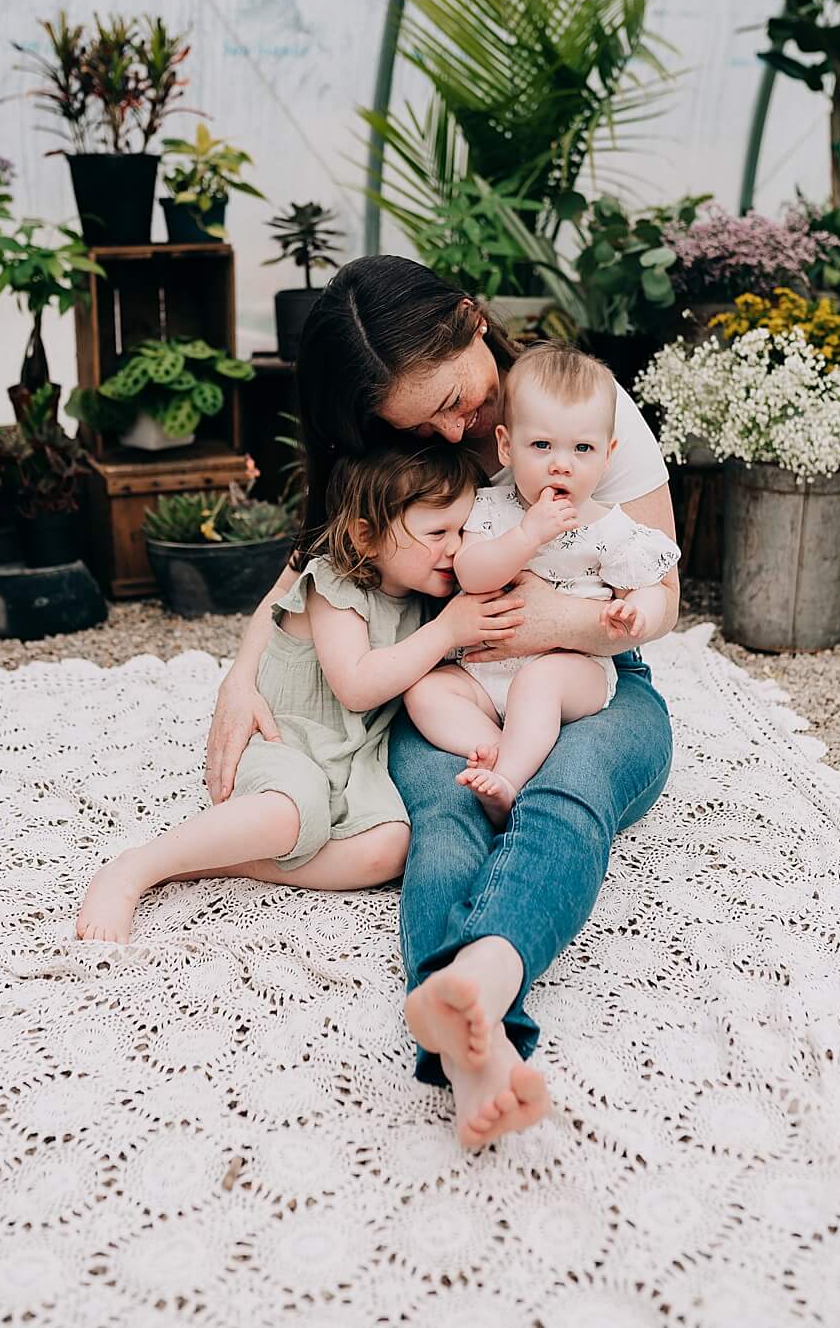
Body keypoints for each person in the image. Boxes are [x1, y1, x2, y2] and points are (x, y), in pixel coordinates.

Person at [205, 256, 678, 1149]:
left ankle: (483, 985)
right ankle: (474, 1053)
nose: (461, 425)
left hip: (590, 679)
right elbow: (310, 564)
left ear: (470, 318)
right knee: (445, 811)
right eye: (428, 424)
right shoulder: (407, 436)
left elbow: (664, 593)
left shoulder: (581, 411)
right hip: (449, 678)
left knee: (564, 797)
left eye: (457, 399)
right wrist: (243, 673)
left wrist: (563, 619)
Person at [76, 444, 522, 943]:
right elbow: (355, 686)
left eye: (462, 531)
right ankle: (138, 868)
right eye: (437, 533)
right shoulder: (333, 585)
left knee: (391, 847)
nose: (456, 548)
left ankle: (243, 863)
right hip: (286, 740)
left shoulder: (421, 592)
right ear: (367, 537)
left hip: (353, 757)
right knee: (287, 810)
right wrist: (447, 632)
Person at [404, 344, 681, 827]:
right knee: (425, 692)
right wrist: (527, 534)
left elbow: (655, 587)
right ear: (507, 446)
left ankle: (509, 780)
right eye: (541, 447)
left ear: (608, 455)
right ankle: (488, 749)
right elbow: (471, 573)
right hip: (483, 677)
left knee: (538, 682)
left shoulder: (610, 527)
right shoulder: (491, 509)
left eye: (582, 449)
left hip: (571, 671)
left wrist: (638, 612)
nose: (561, 465)